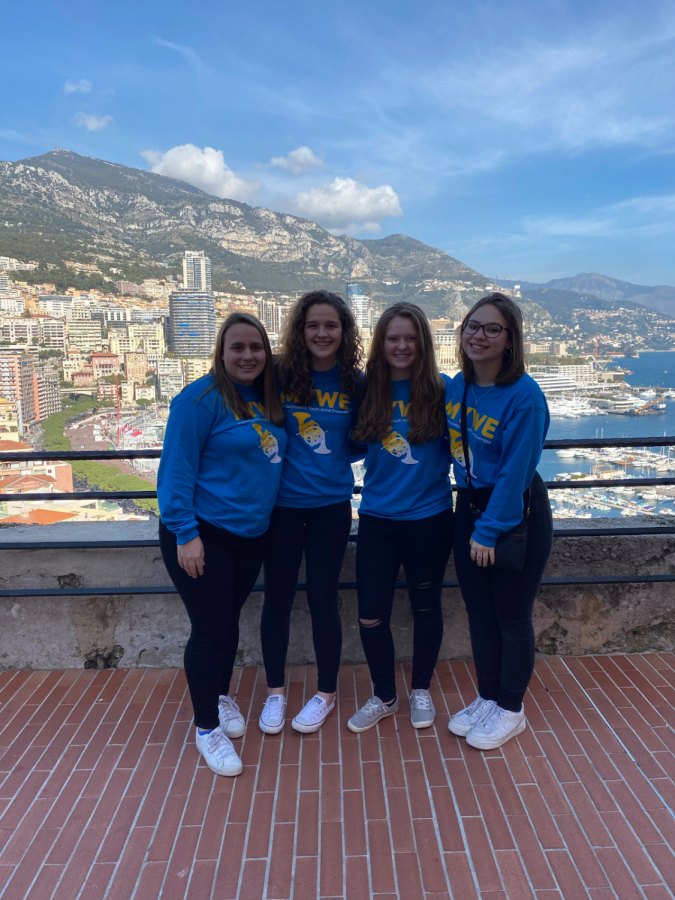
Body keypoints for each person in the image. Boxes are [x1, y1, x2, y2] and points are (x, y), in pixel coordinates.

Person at [157, 313, 287, 776]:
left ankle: (221, 693)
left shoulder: (268, 397)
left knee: (228, 621)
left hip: (249, 534)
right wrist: (185, 535)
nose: (249, 355)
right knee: (210, 630)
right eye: (238, 347)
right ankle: (207, 728)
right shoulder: (198, 400)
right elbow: (175, 472)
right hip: (203, 533)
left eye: (257, 347)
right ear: (222, 351)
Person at [447, 292, 552, 750]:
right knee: (480, 615)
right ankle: (488, 696)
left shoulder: (525, 396)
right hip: (467, 504)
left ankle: (511, 708)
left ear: (510, 340)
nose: (479, 335)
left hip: (513, 513)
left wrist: (488, 530)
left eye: (492, 329)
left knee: (511, 616)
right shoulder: (458, 386)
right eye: (473, 325)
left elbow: (516, 472)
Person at [259, 290, 363, 734]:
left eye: (331, 325)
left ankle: (325, 693)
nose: (322, 333)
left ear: (344, 332)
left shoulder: (354, 383)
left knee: (323, 599)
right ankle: (275, 693)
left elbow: (362, 438)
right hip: (280, 506)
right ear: (300, 330)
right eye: (313, 325)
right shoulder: (279, 375)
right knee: (277, 598)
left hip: (330, 508)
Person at [347, 302, 454, 733]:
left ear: (423, 343)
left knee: (426, 606)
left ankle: (421, 688)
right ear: (381, 343)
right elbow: (345, 441)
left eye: (411, 337)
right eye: (394, 338)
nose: (402, 345)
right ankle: (384, 695)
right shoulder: (365, 390)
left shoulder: (442, 391)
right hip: (377, 518)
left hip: (430, 519)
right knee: (371, 613)